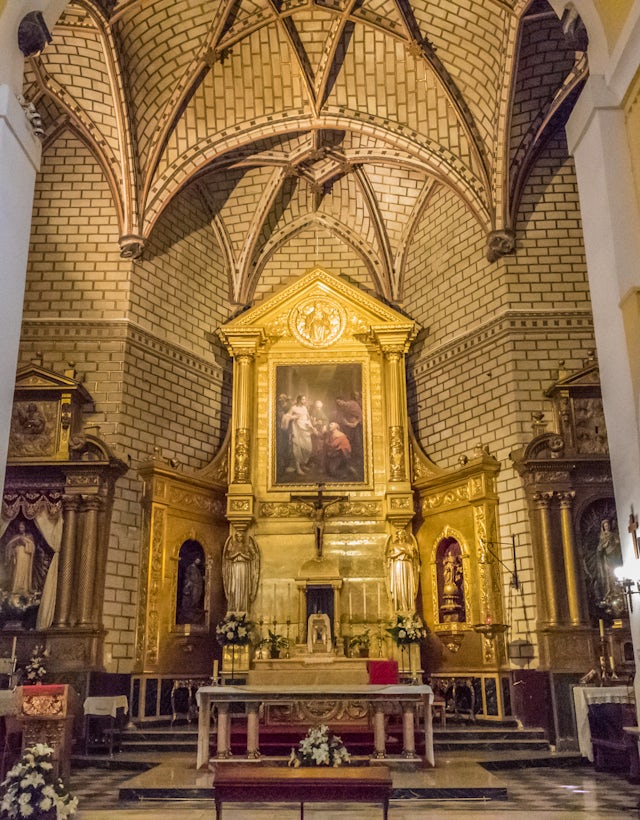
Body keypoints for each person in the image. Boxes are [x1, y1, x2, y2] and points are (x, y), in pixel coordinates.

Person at [222, 530, 260, 613]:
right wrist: (237, 554)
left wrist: (241, 554)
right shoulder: (233, 546)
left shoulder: (246, 547)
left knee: (243, 585)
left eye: (241, 536)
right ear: (236, 537)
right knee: (235, 586)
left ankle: (243, 606)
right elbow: (228, 557)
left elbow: (251, 557)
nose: (240, 538)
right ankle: (235, 606)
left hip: (244, 567)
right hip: (235, 567)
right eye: (238, 536)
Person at [385, 527, 420, 615]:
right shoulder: (394, 545)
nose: (401, 536)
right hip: (397, 565)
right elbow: (390, 556)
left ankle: (408, 606)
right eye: (399, 535)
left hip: (407, 565)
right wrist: (401, 552)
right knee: (399, 584)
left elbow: (413, 556)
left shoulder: (408, 545)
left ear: (404, 536)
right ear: (397, 536)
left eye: (402, 534)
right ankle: (400, 606)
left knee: (407, 584)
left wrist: (406, 552)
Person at [281, 395, 314, 476]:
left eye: (305, 399)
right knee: (297, 447)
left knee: (307, 448)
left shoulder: (305, 408)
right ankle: (298, 467)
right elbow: (286, 417)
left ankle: (303, 464)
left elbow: (308, 417)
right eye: (303, 399)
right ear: (299, 400)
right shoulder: (293, 408)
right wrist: (294, 417)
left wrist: (310, 425)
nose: (304, 401)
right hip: (296, 429)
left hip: (305, 428)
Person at [6, 521, 36, 595]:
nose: (21, 528)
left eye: (22, 527)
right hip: (18, 555)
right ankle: (16, 588)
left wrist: (25, 544)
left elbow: (32, 547)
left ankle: (24, 588)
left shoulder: (29, 536)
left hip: (26, 556)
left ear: (25, 527)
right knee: (17, 570)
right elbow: (10, 546)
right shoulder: (16, 536)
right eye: (20, 527)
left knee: (24, 571)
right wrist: (14, 550)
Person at [595, 518, 621, 600]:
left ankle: (617, 589)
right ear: (603, 527)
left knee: (616, 572)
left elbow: (618, 543)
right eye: (605, 526)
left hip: (615, 556)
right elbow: (599, 549)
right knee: (609, 574)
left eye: (608, 525)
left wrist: (616, 543)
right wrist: (604, 546)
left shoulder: (613, 534)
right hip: (607, 557)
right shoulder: (602, 537)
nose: (607, 527)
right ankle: (610, 590)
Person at [179, 558, 204, 623]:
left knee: (196, 598)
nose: (198, 562)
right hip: (192, 586)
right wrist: (188, 582)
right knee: (192, 598)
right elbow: (187, 576)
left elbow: (198, 577)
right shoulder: (190, 568)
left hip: (197, 586)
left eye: (199, 561)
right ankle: (189, 612)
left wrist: (202, 578)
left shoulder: (197, 569)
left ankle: (194, 610)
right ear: (194, 560)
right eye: (197, 560)